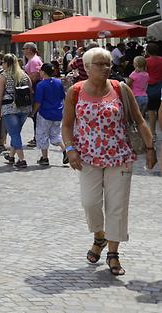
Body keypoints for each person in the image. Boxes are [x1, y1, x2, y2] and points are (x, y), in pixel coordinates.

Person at [62, 46, 157, 276]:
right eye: (100, 64)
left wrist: (150, 147)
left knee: (117, 207)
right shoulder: (75, 91)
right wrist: (71, 149)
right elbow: (66, 125)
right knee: (90, 203)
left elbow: (139, 120)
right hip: (87, 158)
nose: (106, 68)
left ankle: (113, 253)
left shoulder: (120, 88)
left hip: (120, 157)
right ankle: (99, 236)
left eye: (108, 64)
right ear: (86, 67)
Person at [0, 54, 32, 169]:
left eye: (3, 62)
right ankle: (11, 156)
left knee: (14, 134)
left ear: (6, 63)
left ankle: (22, 159)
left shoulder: (3, 76)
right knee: (16, 133)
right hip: (24, 108)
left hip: (9, 108)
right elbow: (30, 90)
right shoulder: (24, 75)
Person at [33, 63, 67, 166]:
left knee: (43, 135)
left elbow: (38, 101)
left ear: (43, 72)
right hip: (57, 113)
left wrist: (33, 112)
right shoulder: (58, 82)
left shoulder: (41, 85)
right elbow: (63, 97)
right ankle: (65, 150)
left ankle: (45, 158)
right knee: (56, 135)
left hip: (45, 113)